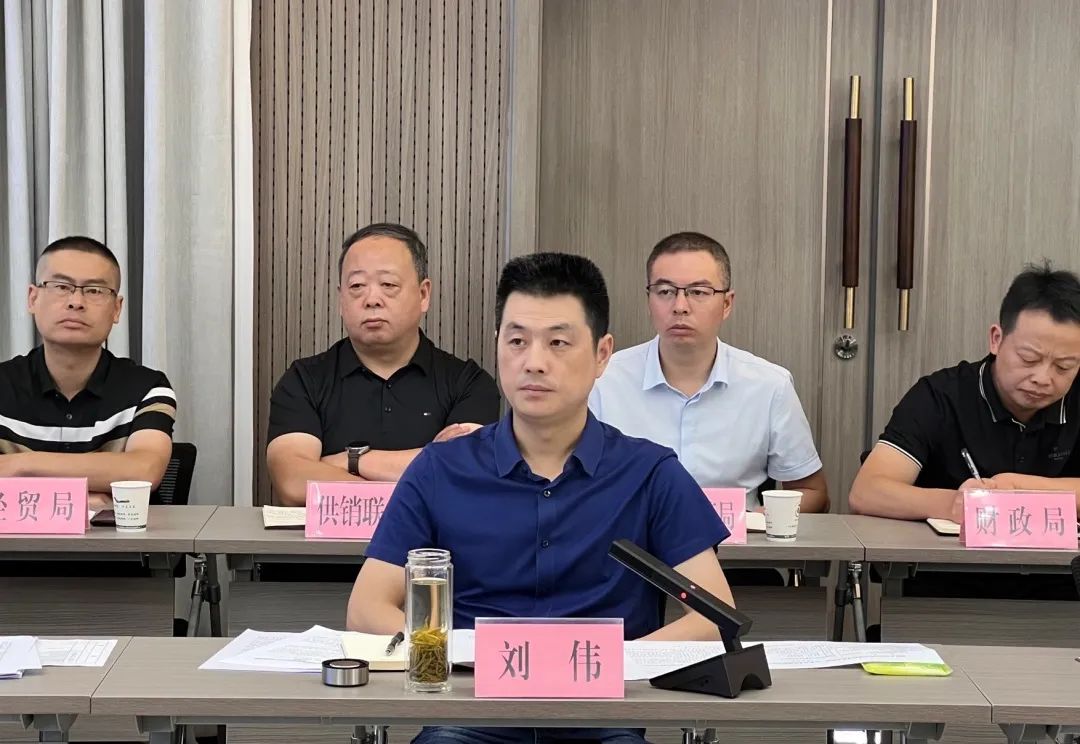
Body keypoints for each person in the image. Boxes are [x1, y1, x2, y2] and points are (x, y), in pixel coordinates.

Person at [348, 252, 733, 744]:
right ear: (497, 346)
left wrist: (608, 664)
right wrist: (462, 656)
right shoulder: (441, 469)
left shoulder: (649, 472)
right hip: (468, 718)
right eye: (517, 341)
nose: (533, 361)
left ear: (602, 354)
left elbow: (712, 615)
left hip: (604, 721)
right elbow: (367, 607)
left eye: (558, 343)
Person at [850, 261, 1080, 599]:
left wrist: (1016, 488)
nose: (1043, 378)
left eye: (1064, 366)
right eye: (1029, 359)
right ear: (996, 339)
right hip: (946, 587)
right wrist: (955, 504)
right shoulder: (940, 396)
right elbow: (867, 491)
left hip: (1060, 593)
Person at [590, 231, 828, 513]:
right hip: (630, 538)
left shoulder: (770, 385)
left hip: (733, 540)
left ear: (726, 304)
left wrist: (755, 519)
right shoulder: (602, 380)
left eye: (699, 292)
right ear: (649, 300)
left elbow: (813, 493)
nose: (680, 307)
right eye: (665, 292)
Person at [266, 223, 500, 505]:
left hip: (431, 537)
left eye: (388, 285)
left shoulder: (469, 383)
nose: (372, 300)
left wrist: (350, 461)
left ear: (423, 294)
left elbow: (460, 475)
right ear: (340, 299)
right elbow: (293, 482)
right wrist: (425, 468)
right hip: (327, 538)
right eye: (356, 286)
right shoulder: (304, 380)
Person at [0, 236, 175, 511]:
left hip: (118, 540)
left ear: (116, 309)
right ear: (33, 298)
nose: (76, 301)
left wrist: (19, 465)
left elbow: (144, 470)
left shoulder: (147, 387)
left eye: (94, 290)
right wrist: (84, 498)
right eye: (61, 287)